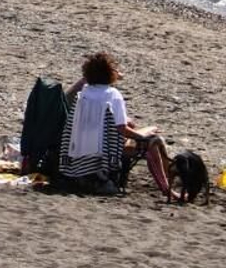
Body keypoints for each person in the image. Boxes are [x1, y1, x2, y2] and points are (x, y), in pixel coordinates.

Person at [61, 53, 171, 195]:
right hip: (105, 153)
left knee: (148, 134)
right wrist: (143, 137)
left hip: (80, 150)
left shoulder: (83, 93)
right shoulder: (113, 95)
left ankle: (168, 181)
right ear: (109, 74)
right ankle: (167, 188)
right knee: (154, 139)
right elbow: (122, 128)